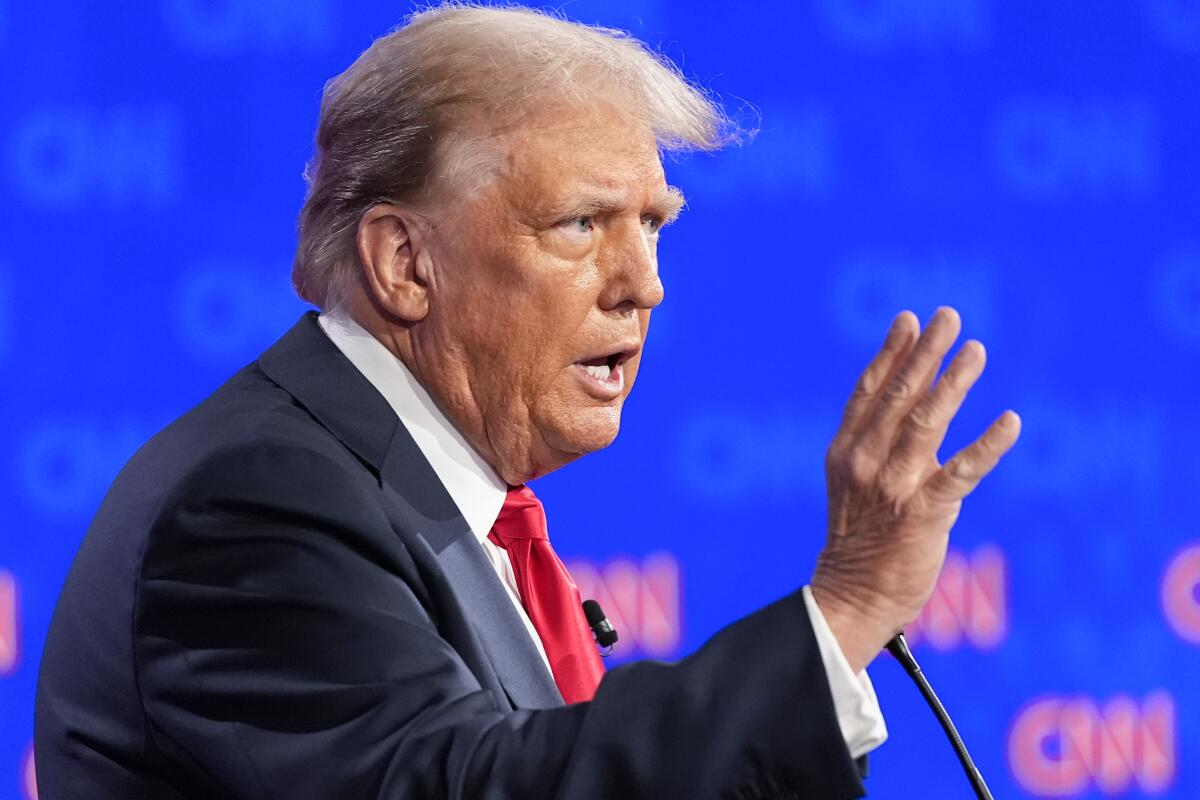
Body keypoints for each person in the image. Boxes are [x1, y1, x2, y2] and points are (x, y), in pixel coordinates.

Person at [34, 5, 1020, 798]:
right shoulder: (258, 499)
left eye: (654, 225)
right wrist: (843, 610)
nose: (644, 282)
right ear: (404, 262)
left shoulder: (426, 501)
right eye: (581, 222)